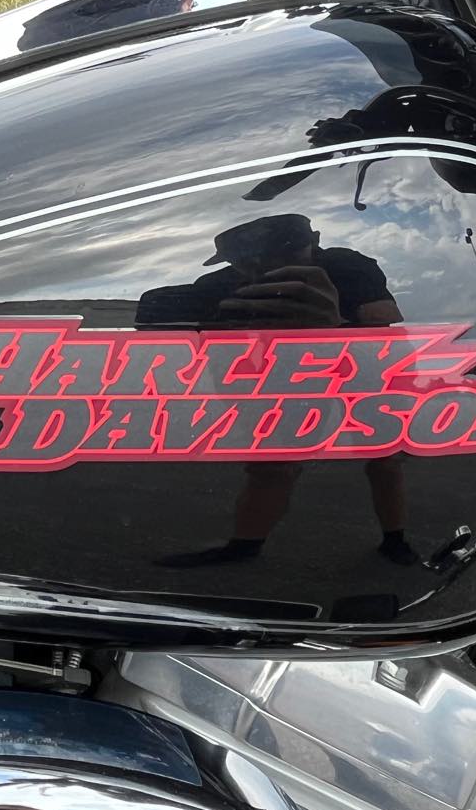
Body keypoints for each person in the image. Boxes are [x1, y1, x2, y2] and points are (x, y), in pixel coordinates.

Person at [139, 214, 418, 567]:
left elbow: (386, 323)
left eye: (283, 257)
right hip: (287, 372)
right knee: (271, 465)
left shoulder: (345, 264)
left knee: (384, 458)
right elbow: (194, 346)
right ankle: (243, 547)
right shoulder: (217, 285)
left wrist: (334, 324)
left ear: (316, 241)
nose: (264, 271)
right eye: (246, 263)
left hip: (363, 365)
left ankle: (396, 540)